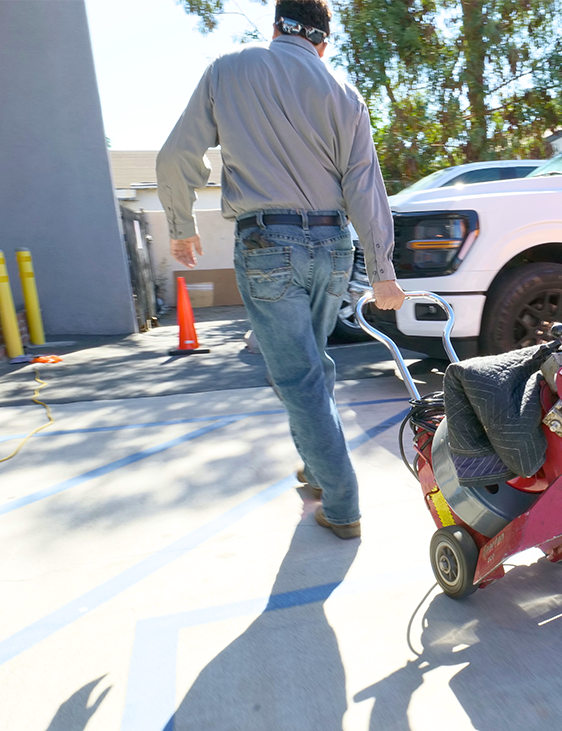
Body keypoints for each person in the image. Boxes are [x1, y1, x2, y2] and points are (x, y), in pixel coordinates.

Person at [157, 0, 405, 539]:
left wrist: (181, 224)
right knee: (310, 367)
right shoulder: (343, 92)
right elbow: (365, 186)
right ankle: (318, 469)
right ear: (323, 42)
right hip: (333, 246)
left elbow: (177, 154)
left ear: (275, 25)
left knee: (296, 376)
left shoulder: (230, 68)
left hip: (269, 246)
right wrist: (383, 269)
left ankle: (342, 504)